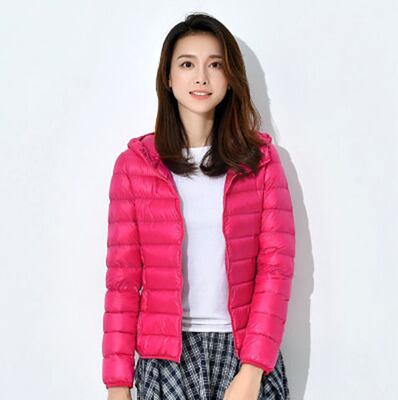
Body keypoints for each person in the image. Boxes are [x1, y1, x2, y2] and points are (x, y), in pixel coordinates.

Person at [102, 12, 295, 400]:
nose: (201, 77)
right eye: (187, 64)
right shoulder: (135, 166)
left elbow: (276, 269)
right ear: (168, 78)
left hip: (243, 351)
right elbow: (122, 281)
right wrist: (118, 385)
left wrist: (252, 370)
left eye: (215, 64)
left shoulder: (260, 161)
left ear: (230, 77)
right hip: (165, 359)